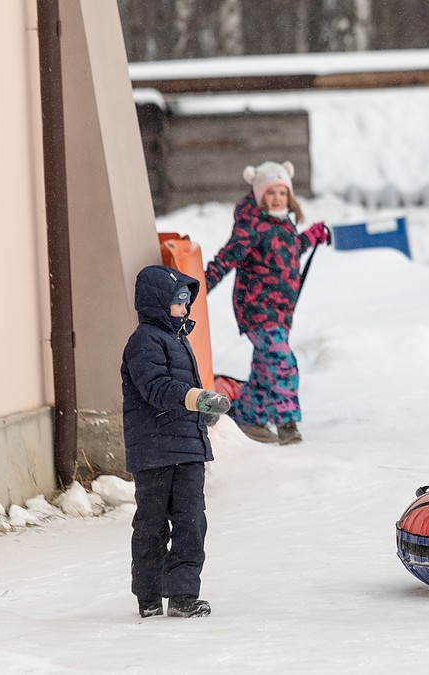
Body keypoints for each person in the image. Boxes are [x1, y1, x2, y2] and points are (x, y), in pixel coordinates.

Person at [122, 265, 233, 618]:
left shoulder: (177, 339)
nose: (185, 310)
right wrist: (196, 398)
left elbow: (179, 392)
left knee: (191, 521)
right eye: (179, 303)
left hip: (186, 449)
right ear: (157, 303)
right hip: (153, 452)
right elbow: (155, 387)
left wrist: (202, 413)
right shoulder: (144, 342)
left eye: (186, 303)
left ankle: (184, 594)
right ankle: (149, 595)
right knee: (152, 525)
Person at [204, 161, 330, 444]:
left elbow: (291, 249)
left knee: (265, 368)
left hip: (281, 313)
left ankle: (250, 418)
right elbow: (227, 257)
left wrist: (311, 236)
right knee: (282, 362)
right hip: (257, 311)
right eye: (270, 193)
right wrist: (201, 285)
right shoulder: (251, 226)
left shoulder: (283, 224)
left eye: (282, 193)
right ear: (260, 195)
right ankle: (287, 423)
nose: (277, 198)